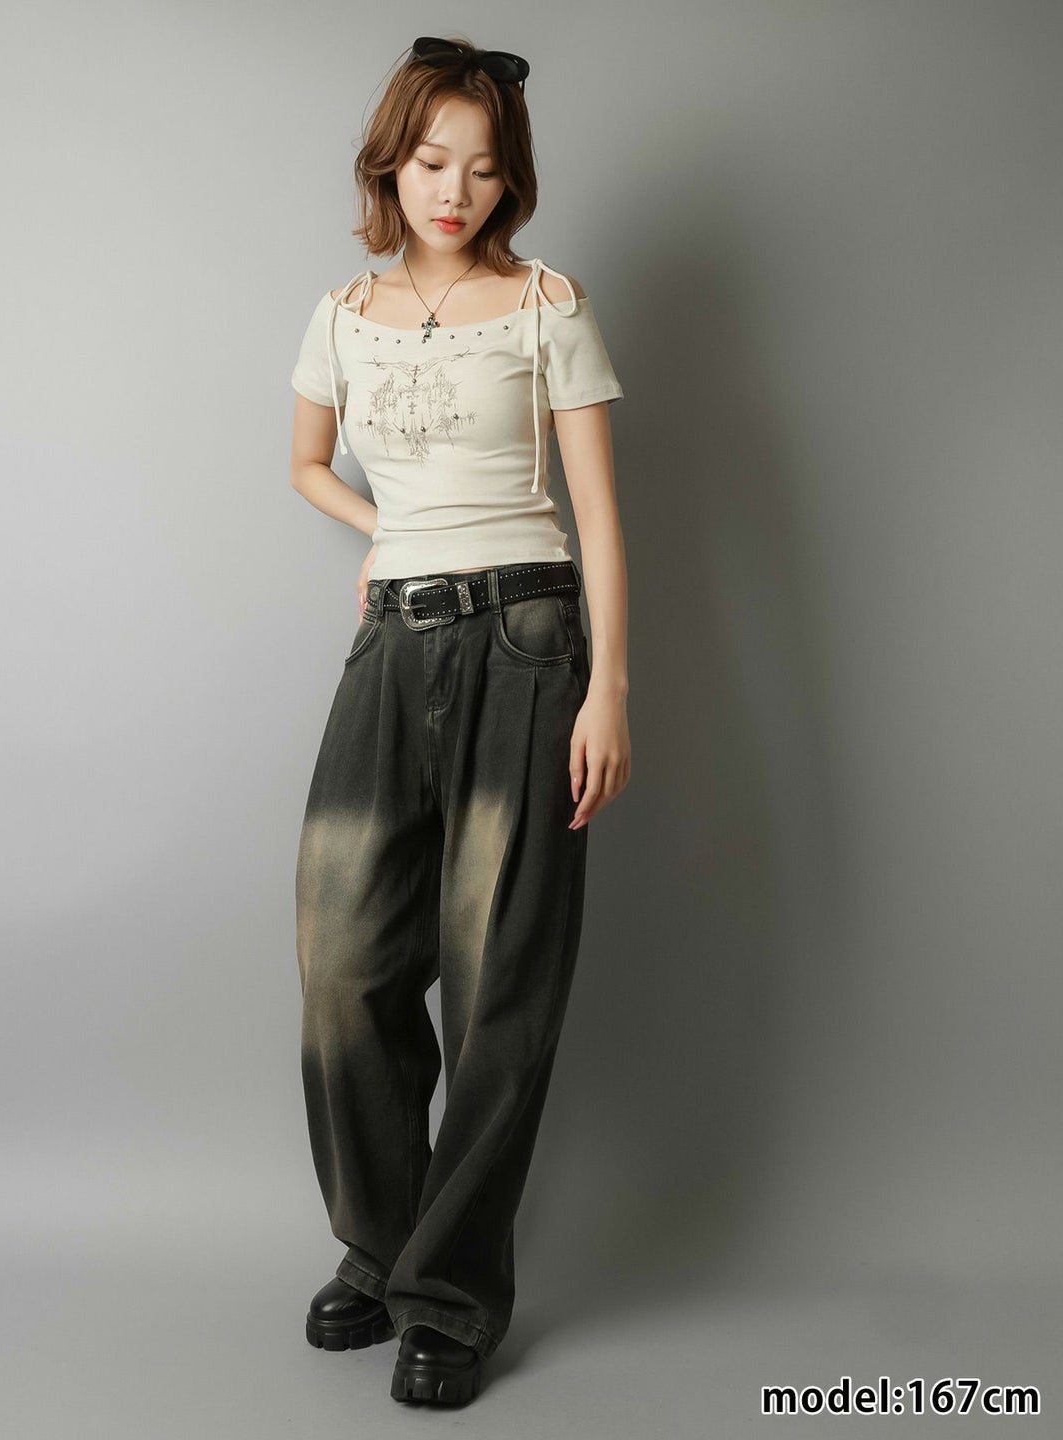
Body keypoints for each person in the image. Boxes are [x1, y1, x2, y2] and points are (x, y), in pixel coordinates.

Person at [288, 35, 631, 1407]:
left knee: (498, 984)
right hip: (393, 643)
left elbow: (596, 507)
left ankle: (450, 1293)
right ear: (392, 163)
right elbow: (305, 463)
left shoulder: (549, 303)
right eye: (433, 162)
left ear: (510, 181)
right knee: (344, 963)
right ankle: (380, 1244)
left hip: (530, 639)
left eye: (484, 170)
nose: (455, 191)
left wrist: (612, 687)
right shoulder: (341, 313)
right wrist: (386, 532)